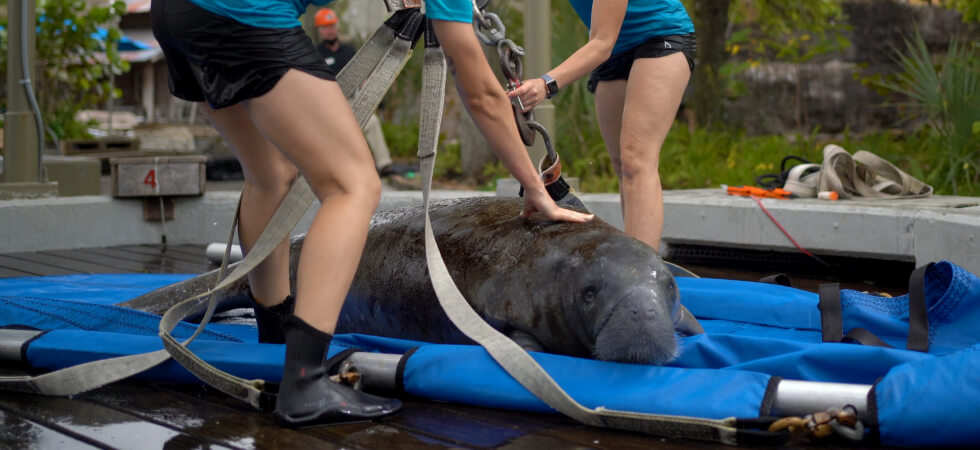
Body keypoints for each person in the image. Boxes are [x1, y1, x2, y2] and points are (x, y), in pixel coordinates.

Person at [151, 0, 593, 429]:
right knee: (352, 184)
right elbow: (480, 94)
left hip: (177, 14)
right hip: (244, 13)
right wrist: (536, 189)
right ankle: (304, 380)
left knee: (270, 175)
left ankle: (276, 349)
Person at [508, 0, 696, 253]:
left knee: (636, 161)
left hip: (659, 36)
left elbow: (601, 43)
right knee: (622, 166)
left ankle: (641, 269)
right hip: (613, 49)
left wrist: (546, 84)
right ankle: (634, 256)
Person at [313, 7, 412, 178]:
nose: (329, 30)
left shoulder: (349, 51)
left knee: (371, 122)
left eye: (332, 26)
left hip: (351, 101)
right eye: (325, 27)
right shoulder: (316, 54)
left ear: (336, 26)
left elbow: (363, 74)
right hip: (327, 106)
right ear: (320, 30)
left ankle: (384, 164)